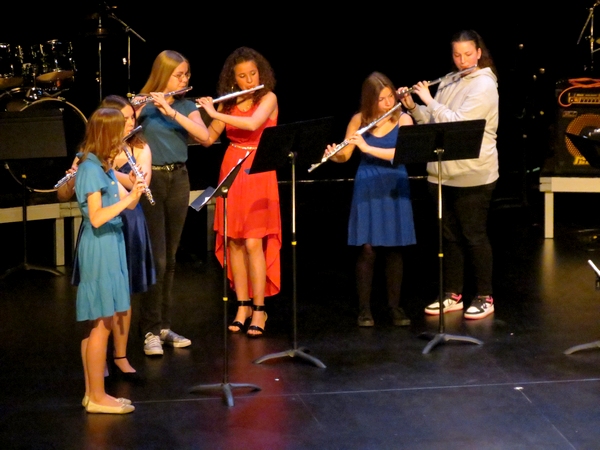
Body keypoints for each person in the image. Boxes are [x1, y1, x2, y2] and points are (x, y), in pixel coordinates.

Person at [398, 29, 499, 320]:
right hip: (442, 173)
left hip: (473, 174)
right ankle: (453, 294)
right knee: (449, 237)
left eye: (468, 54)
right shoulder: (451, 80)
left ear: (479, 52)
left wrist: (428, 100)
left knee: (474, 235)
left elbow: (458, 124)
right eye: (457, 55)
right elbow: (434, 123)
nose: (462, 60)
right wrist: (414, 107)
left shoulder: (484, 85)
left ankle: (484, 296)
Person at [58, 95, 155, 383]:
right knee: (100, 315)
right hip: (102, 236)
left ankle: (113, 365)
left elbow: (131, 199)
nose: (128, 126)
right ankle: (96, 385)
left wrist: (128, 186)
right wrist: (77, 176)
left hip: (118, 232)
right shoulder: (90, 164)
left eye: (131, 120)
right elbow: (92, 212)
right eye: (122, 122)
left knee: (119, 300)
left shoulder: (119, 157)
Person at [196, 46, 281, 337]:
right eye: (242, 76)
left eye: (252, 74)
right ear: (233, 79)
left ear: (261, 73)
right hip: (232, 167)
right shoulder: (229, 102)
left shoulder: (268, 98)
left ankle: (260, 309)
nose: (248, 80)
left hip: (258, 169)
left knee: (254, 242)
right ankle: (242, 306)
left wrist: (215, 112)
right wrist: (183, 114)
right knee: (233, 241)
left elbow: (254, 124)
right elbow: (208, 139)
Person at [323, 72, 416, 327]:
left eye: (390, 97)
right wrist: (334, 155)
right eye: (382, 99)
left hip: (394, 181)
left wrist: (368, 148)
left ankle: (395, 307)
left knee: (395, 247)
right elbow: (346, 156)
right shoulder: (359, 119)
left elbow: (401, 154)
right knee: (368, 248)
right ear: (370, 101)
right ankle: (364, 309)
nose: (388, 103)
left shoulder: (404, 118)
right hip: (368, 183)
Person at [134, 50, 210, 355]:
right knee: (158, 259)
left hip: (179, 178)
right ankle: (149, 329)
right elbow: (119, 133)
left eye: (187, 74)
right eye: (179, 75)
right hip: (150, 181)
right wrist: (143, 106)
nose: (184, 79)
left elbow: (204, 136)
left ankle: (164, 326)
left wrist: (171, 111)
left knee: (172, 258)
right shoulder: (141, 103)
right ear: (162, 75)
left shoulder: (185, 105)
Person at [75, 107, 145, 414]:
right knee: (101, 325)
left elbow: (123, 206)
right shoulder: (90, 168)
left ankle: (93, 395)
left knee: (101, 324)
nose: (123, 141)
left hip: (111, 245)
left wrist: (135, 189)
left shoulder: (101, 166)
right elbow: (96, 217)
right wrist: (129, 199)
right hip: (100, 246)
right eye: (119, 135)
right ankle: (99, 397)